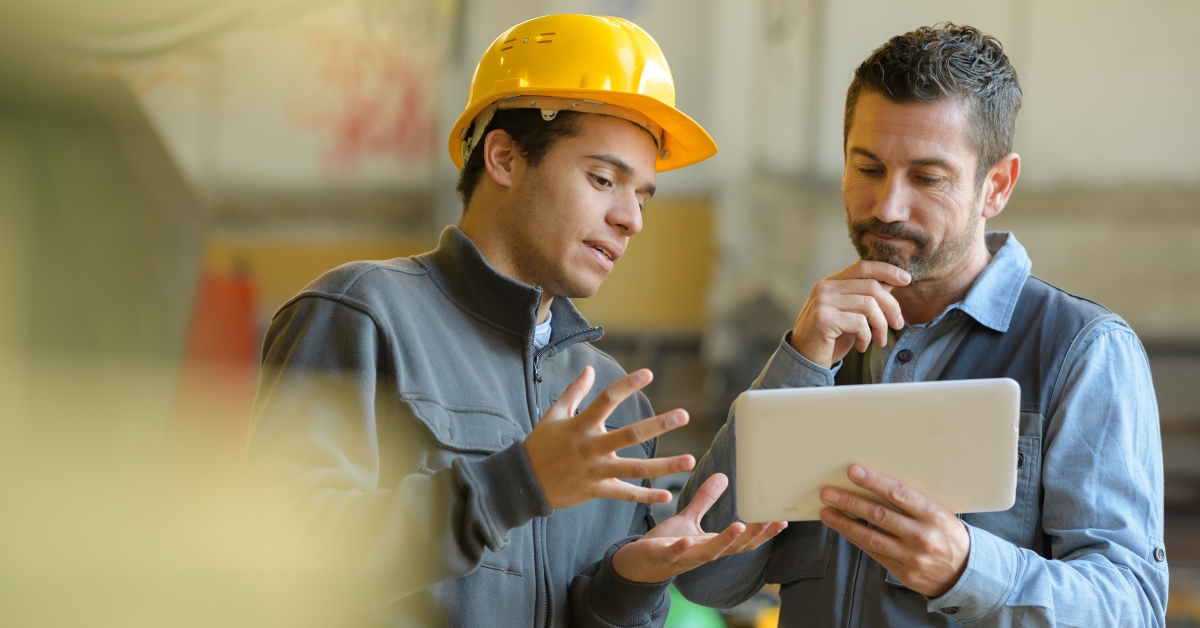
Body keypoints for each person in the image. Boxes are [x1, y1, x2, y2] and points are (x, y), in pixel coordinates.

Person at [235, 14, 786, 628]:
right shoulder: (362, 316)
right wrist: (514, 484)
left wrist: (629, 586)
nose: (630, 218)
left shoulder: (612, 399)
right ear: (502, 157)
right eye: (604, 179)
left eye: (642, 196)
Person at [675, 23, 1168, 627]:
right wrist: (798, 365)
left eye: (928, 178)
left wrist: (967, 569)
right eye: (869, 168)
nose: (888, 207)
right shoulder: (819, 347)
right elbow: (703, 576)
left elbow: (1132, 608)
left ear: (998, 186)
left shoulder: (1082, 352)